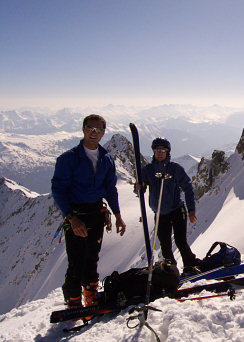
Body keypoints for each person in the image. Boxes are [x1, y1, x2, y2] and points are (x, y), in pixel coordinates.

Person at [51, 114, 126, 309]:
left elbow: (110, 189)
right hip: (76, 213)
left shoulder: (106, 159)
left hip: (96, 213)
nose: (94, 133)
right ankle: (73, 300)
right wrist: (71, 218)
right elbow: (58, 190)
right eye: (90, 128)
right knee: (76, 260)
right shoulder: (68, 159)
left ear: (103, 133)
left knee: (92, 257)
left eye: (98, 129)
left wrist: (118, 215)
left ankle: (90, 295)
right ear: (83, 129)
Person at [136, 137, 200, 275]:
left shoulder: (175, 169)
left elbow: (188, 188)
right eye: (157, 150)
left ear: (167, 152)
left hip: (177, 210)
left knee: (180, 241)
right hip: (159, 213)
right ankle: (171, 271)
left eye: (163, 150)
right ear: (153, 151)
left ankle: (191, 266)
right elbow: (139, 188)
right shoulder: (147, 170)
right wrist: (139, 187)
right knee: (165, 245)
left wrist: (191, 210)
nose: (160, 152)